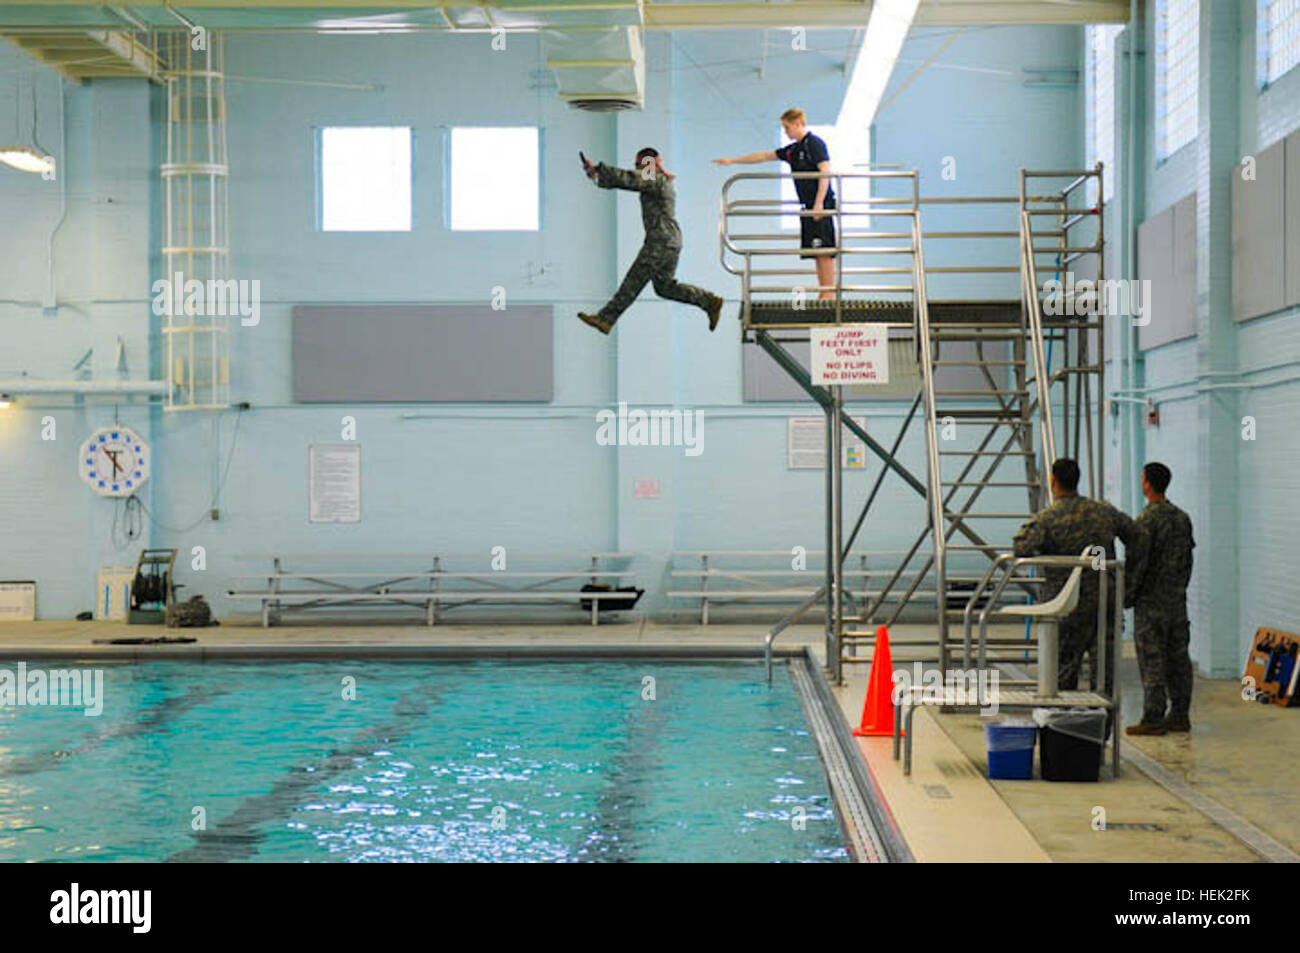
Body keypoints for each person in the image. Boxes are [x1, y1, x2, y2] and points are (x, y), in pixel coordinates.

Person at [1012, 458, 1147, 698]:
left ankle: (1064, 728)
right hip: (1104, 604)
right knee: (1105, 674)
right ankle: (1102, 730)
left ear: (1052, 481)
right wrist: (1128, 583)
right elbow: (1139, 536)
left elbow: (1021, 547)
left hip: (1066, 607)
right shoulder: (1102, 512)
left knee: (1062, 672)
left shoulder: (1048, 518)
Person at [578, 148, 724, 334]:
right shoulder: (658, 178)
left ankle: (605, 319)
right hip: (670, 240)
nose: (637, 168)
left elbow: (630, 178)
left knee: (634, 280)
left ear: (648, 162)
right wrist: (595, 174)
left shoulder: (654, 177)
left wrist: (599, 167)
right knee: (664, 287)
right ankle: (709, 301)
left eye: (639, 164)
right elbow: (629, 180)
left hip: (661, 241)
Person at [713, 107, 837, 300]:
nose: (786, 132)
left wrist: (820, 203)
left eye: (787, 127)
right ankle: (824, 291)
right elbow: (764, 156)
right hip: (807, 206)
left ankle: (828, 293)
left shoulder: (814, 144)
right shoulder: (793, 150)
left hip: (821, 203)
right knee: (816, 249)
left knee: (825, 251)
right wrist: (733, 160)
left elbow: (825, 171)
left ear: (798, 123)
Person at [1125, 462, 1196, 735]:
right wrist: (1179, 588)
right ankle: (1180, 714)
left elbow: (1139, 562)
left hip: (1151, 603)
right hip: (1176, 601)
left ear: (1146, 484)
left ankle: (1153, 717)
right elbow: (1188, 559)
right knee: (1178, 658)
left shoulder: (1146, 520)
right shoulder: (1182, 518)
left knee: (1152, 659)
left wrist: (1128, 596)